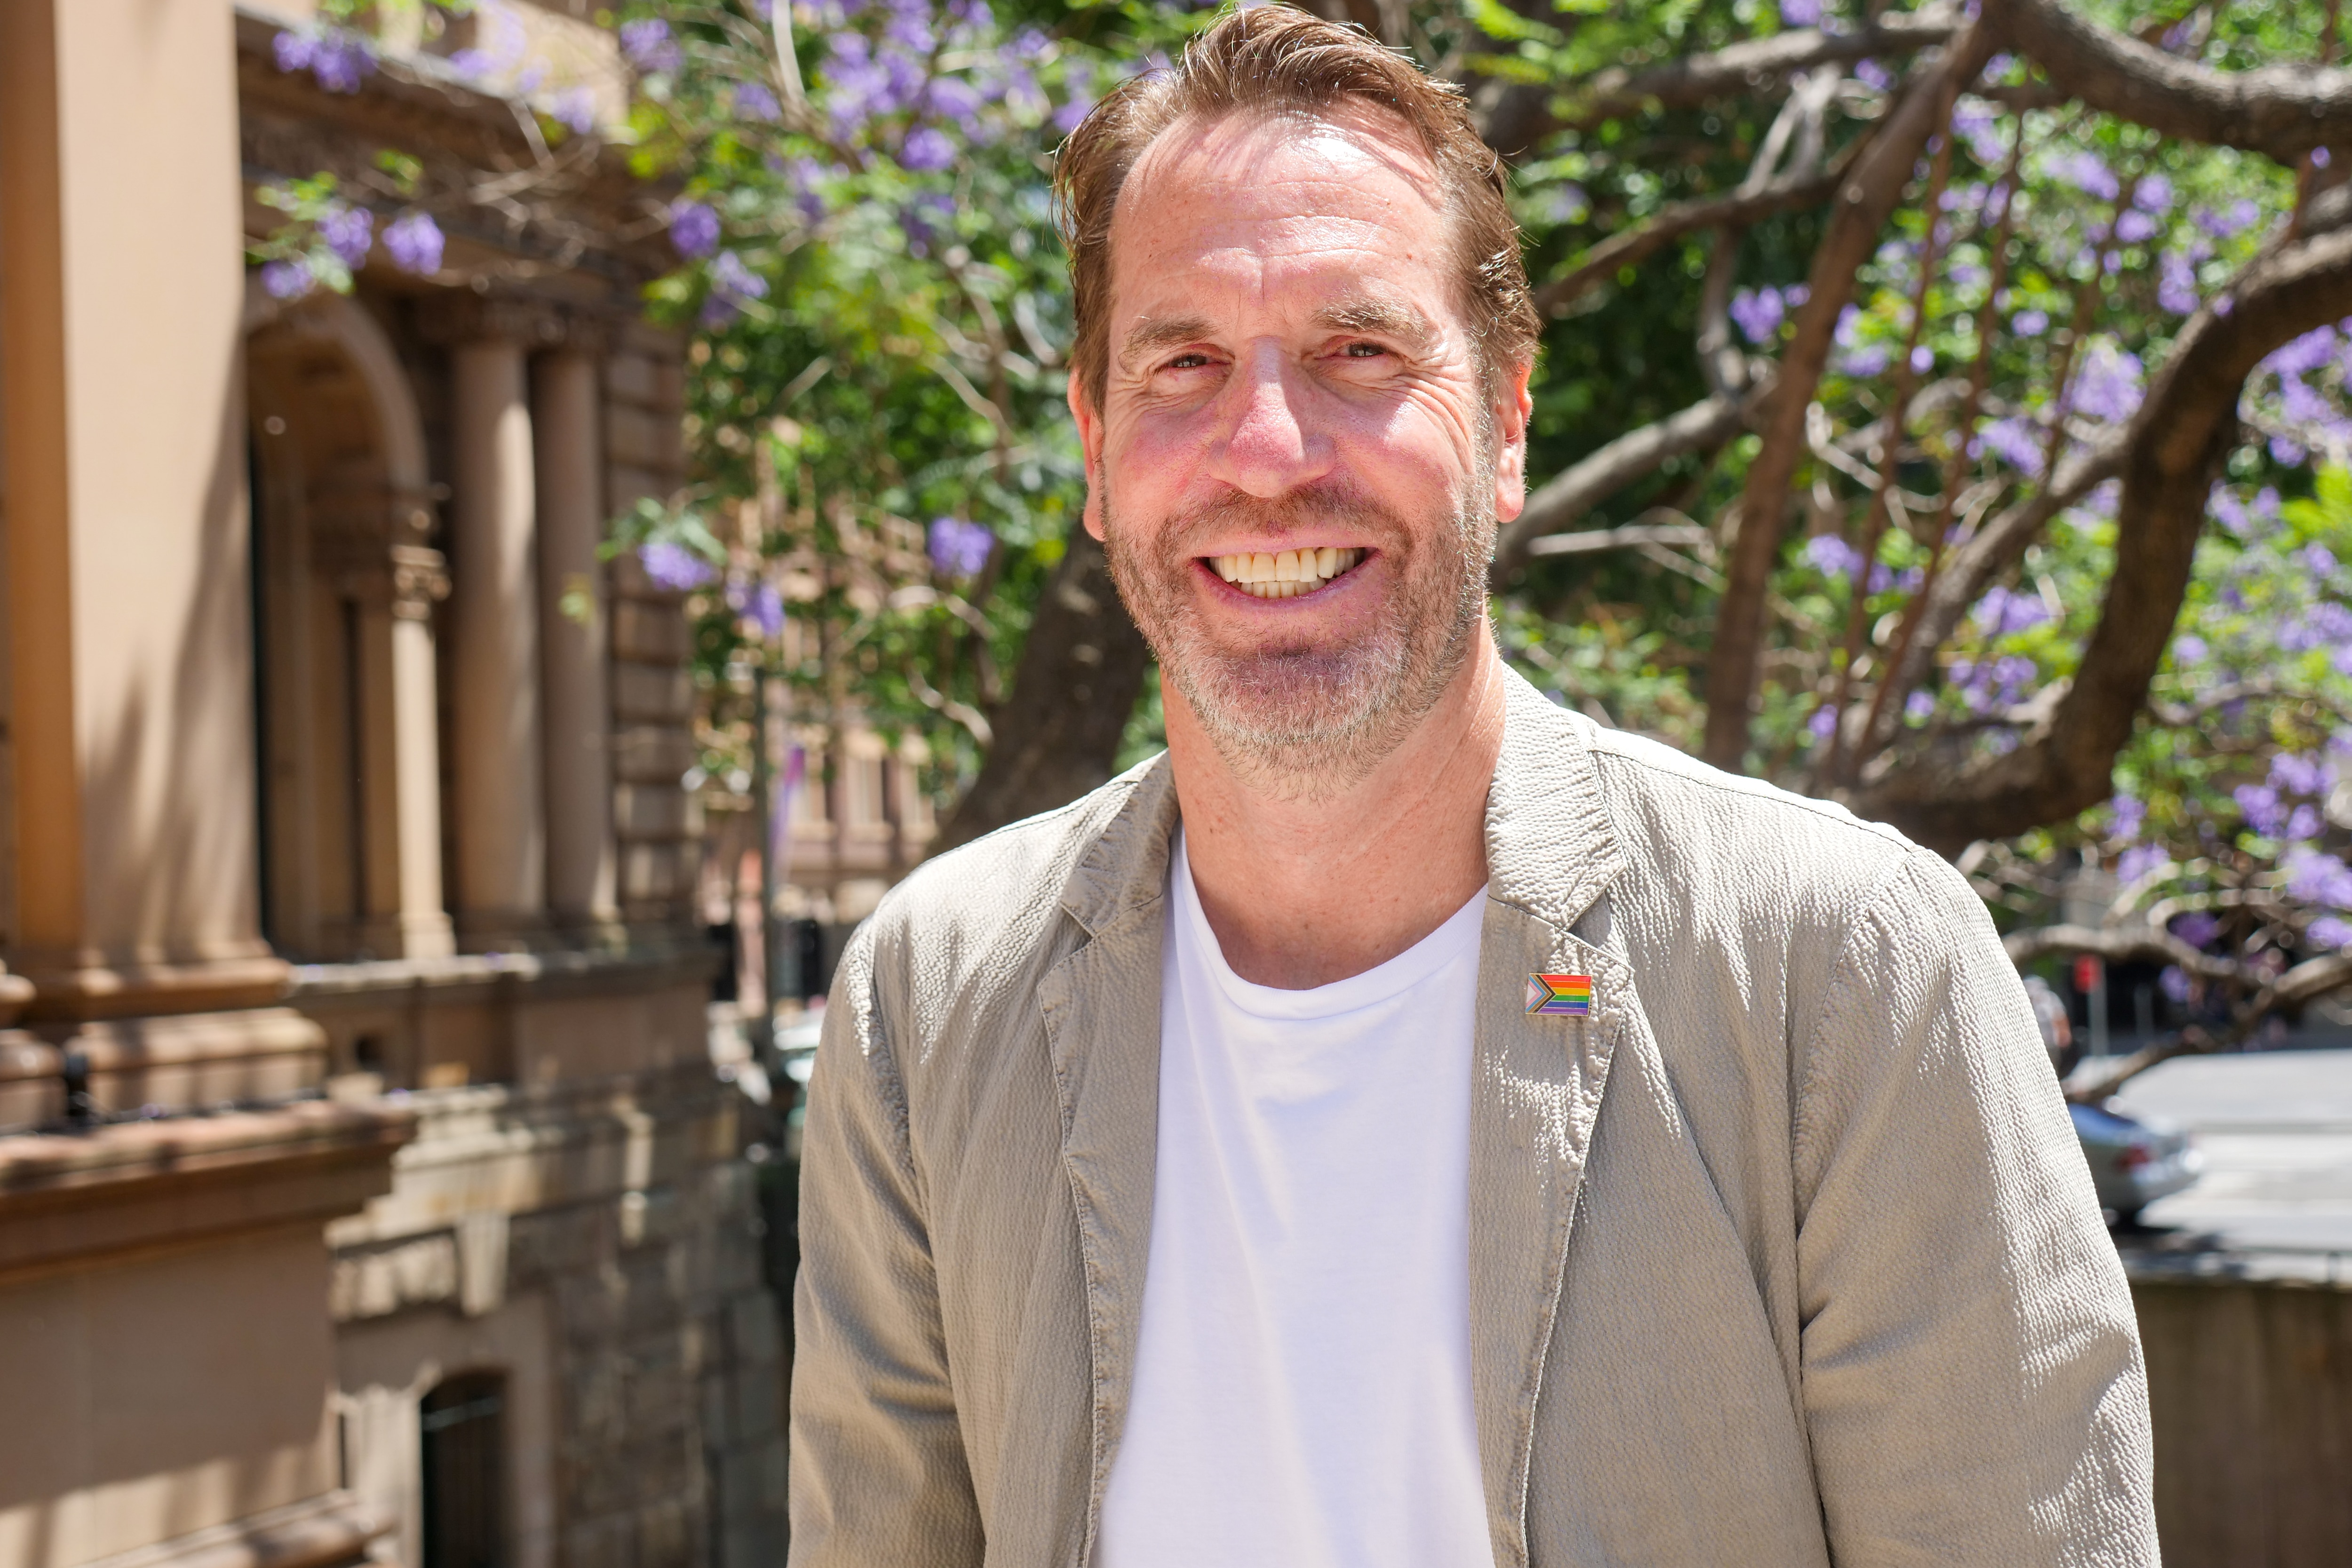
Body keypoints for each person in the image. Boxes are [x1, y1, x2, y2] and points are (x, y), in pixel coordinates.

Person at [787, 9, 2157, 1564]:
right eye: (1185, 365)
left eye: (1360, 353)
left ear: (1504, 424)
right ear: (1099, 453)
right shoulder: (929, 999)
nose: (1267, 449)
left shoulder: (1839, 977)